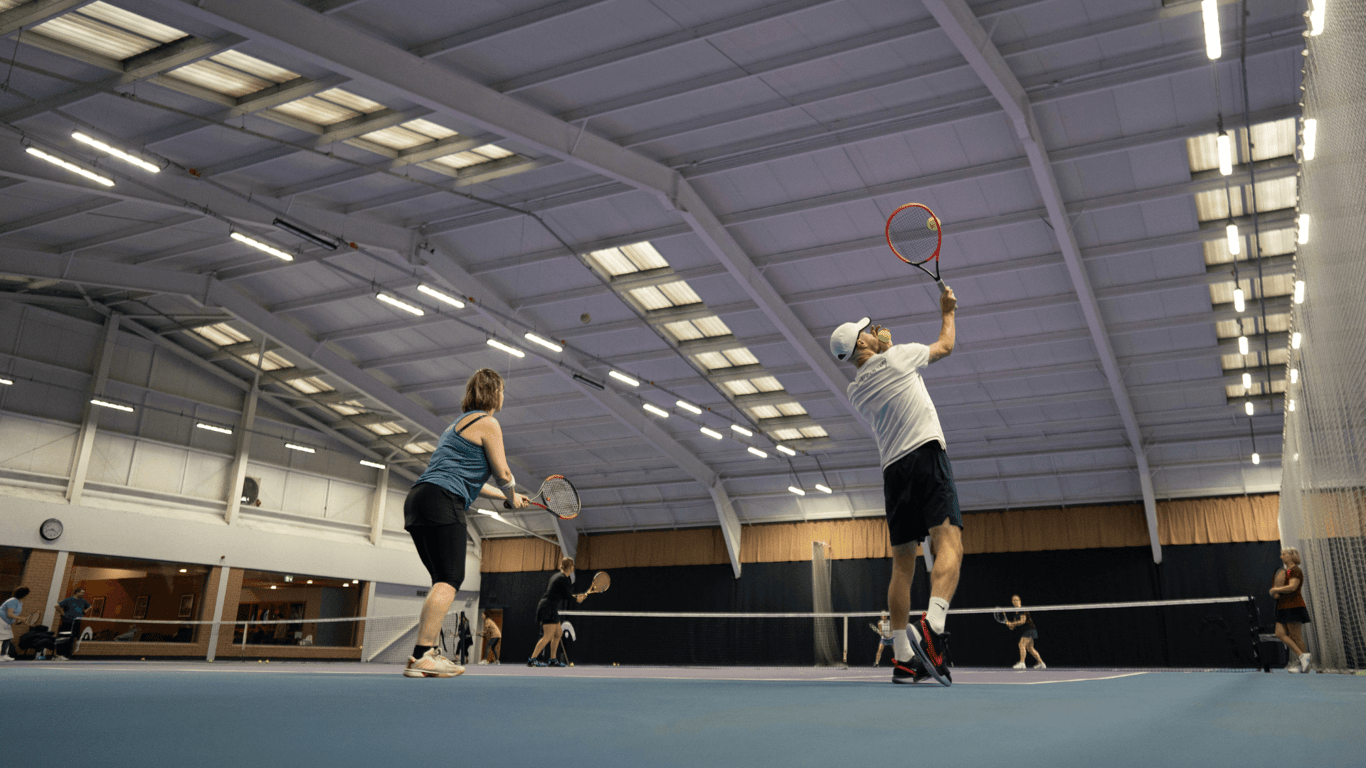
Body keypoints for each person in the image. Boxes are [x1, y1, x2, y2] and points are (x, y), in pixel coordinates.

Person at [830, 286, 962, 686]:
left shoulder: (856, 391)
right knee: (950, 543)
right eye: (866, 331)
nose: (874, 330)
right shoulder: (900, 356)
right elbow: (945, 346)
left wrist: (882, 347)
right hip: (925, 455)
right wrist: (948, 311)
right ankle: (935, 628)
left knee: (903, 564)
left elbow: (879, 361)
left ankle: (904, 659)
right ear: (861, 344)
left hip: (893, 472)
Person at [401, 368, 530, 678]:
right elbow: (503, 473)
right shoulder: (489, 423)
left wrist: (505, 495)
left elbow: (471, 479)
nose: (503, 397)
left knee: (441, 580)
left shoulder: (455, 426)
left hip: (419, 500)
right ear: (495, 394)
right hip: (442, 501)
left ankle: (426, 654)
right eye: (502, 392)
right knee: (450, 577)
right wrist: (511, 494)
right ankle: (422, 655)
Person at [528, 557, 585, 668]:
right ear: (571, 567)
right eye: (573, 566)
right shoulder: (562, 578)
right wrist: (578, 599)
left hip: (550, 607)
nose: (574, 567)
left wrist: (577, 597)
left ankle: (553, 660)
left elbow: (565, 595)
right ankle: (532, 659)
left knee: (558, 633)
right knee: (548, 636)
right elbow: (568, 597)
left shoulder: (560, 577)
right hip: (547, 607)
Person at [1270, 547, 1312, 673]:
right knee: (1279, 633)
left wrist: (1276, 590)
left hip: (1294, 607)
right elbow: (1284, 587)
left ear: (1291, 556)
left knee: (1296, 637)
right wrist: (1277, 594)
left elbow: (1293, 587)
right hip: (1282, 607)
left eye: (1284, 554)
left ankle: (1304, 664)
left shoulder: (1295, 570)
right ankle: (1303, 657)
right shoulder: (1287, 572)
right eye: (1281, 554)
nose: (1281, 556)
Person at [1004, 595, 1045, 670]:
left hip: (1030, 629)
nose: (1015, 601)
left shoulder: (1023, 609)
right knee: (1030, 648)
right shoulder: (1015, 614)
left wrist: (1012, 623)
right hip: (1027, 630)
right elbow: (1012, 628)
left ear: (1020, 601)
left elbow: (1022, 621)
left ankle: (1022, 663)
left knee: (1021, 644)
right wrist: (1008, 623)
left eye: (1016, 600)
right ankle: (1041, 663)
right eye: (1013, 600)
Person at [54, 587, 91, 660]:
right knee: (64, 637)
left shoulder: (83, 601)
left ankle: (70, 654)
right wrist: (63, 613)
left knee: (74, 637)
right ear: (77, 592)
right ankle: (59, 654)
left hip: (77, 621)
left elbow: (90, 607)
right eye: (82, 592)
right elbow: (57, 606)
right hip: (68, 621)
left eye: (84, 593)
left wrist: (84, 612)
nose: (83, 594)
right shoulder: (69, 600)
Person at [0, 587, 30, 661]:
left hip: (6, 622)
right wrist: (21, 618)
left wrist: (18, 620)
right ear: (24, 594)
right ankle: (3, 655)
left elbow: (13, 614)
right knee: (5, 637)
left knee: (8, 637)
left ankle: (3, 655)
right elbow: (9, 614)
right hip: (1, 619)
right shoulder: (13, 601)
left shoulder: (20, 602)